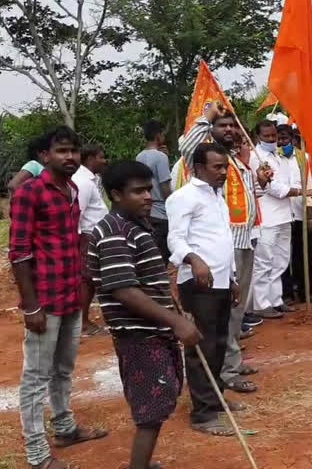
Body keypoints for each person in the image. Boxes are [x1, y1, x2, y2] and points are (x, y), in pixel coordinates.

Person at [89, 160, 201, 469]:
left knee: (159, 399)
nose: (148, 196)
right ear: (116, 195)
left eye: (149, 189)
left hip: (153, 330)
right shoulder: (114, 232)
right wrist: (175, 321)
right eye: (138, 191)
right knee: (150, 411)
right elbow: (124, 290)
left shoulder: (135, 227)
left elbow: (153, 283)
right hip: (139, 335)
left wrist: (176, 312)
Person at [10, 126, 108, 469]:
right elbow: (19, 253)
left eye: (74, 151)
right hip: (45, 300)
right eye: (62, 151)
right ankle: (37, 454)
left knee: (64, 369)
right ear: (44, 157)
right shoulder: (29, 194)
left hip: (69, 294)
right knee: (36, 376)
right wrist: (32, 305)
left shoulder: (72, 190)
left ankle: (65, 427)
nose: (70, 157)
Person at [178, 104, 262, 394]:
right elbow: (187, 142)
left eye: (232, 125)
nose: (230, 129)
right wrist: (208, 116)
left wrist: (259, 183)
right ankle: (225, 373)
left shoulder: (233, 162)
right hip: (215, 252)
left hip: (242, 240)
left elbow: (247, 197)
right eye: (222, 125)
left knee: (235, 312)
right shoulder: (201, 159)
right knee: (218, 319)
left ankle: (231, 364)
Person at [168, 143, 239, 435]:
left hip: (221, 281)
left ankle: (215, 396)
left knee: (219, 341)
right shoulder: (183, 198)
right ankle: (203, 413)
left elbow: (223, 239)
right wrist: (194, 260)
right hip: (198, 283)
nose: (223, 172)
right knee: (202, 346)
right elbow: (175, 239)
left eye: (225, 166)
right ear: (198, 168)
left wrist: (232, 277)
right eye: (217, 167)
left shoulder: (217, 196)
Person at [248, 121, 306, 320]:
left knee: (281, 260)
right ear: (258, 137)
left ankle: (276, 300)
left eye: (273, 136)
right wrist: (303, 192)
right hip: (267, 217)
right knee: (264, 262)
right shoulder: (256, 158)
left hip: (284, 215)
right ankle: (262, 304)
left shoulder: (278, 156)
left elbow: (286, 184)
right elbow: (276, 189)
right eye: (267, 137)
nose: (272, 140)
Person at [72, 144, 109, 337]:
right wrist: (78, 240)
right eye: (101, 157)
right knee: (87, 280)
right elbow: (78, 212)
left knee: (90, 279)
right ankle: (82, 323)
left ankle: (82, 320)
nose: (104, 161)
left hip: (94, 235)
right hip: (88, 235)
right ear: (90, 159)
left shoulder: (91, 180)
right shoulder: (83, 182)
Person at [280, 125, 312, 304]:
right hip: (282, 215)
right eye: (278, 139)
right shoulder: (273, 159)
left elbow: (311, 187)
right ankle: (286, 293)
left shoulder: (305, 158)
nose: (282, 143)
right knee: (283, 257)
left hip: (301, 214)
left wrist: (310, 215)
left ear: (293, 139)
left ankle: (305, 292)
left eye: (285, 138)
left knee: (304, 256)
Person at [136, 119, 173, 262]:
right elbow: (165, 187)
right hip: (161, 213)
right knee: (162, 257)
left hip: (145, 212)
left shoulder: (139, 156)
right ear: (158, 135)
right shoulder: (161, 157)